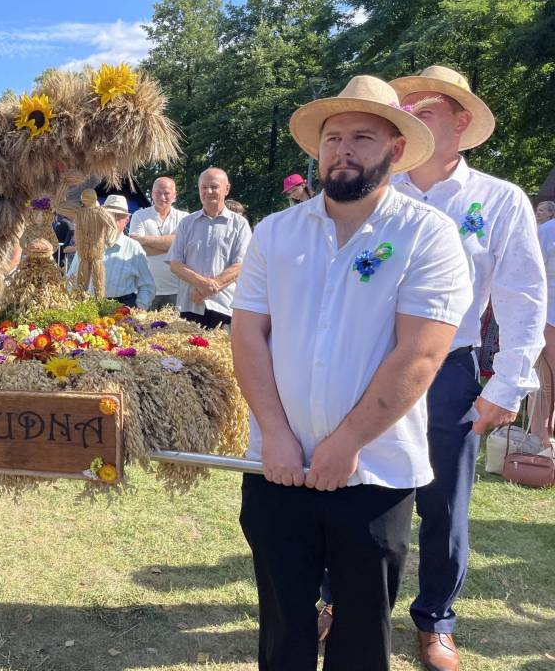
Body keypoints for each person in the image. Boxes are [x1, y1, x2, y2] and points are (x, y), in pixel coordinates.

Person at [231, 74, 472, 671]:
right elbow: (248, 336)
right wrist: (276, 433)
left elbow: (420, 354)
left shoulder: (427, 235)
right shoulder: (275, 232)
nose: (343, 150)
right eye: (332, 138)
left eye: (362, 137)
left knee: (362, 634)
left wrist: (347, 443)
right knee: (283, 627)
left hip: (375, 471)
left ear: (396, 148)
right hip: (279, 466)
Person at [388, 65, 547, 670]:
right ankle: (342, 598)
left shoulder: (499, 199)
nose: (412, 119)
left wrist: (508, 383)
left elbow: (523, 294)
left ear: (462, 121)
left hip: (449, 366)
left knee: (445, 504)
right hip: (371, 362)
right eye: (407, 110)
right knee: (357, 487)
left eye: (426, 109)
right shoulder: (381, 188)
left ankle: (435, 620)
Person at [166, 168, 252, 328]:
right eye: (204, 187)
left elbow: (240, 265)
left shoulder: (239, 225)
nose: (208, 191)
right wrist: (202, 284)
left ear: (227, 189)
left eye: (214, 187)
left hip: (224, 307)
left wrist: (206, 290)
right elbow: (175, 263)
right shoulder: (186, 223)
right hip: (190, 305)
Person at [67, 194, 155, 309]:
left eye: (118, 217)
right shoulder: (87, 245)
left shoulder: (134, 248)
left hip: (123, 307)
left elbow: (147, 286)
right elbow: (71, 279)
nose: (112, 221)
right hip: (89, 305)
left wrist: (139, 309)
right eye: (108, 216)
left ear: (126, 220)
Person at [129, 177, 188, 309]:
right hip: (145, 289)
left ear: (174, 195)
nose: (162, 197)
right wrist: (172, 245)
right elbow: (135, 247)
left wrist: (144, 240)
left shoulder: (184, 218)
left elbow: (184, 246)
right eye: (158, 193)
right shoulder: (139, 215)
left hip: (176, 290)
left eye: (166, 193)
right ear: (152, 194)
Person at [531, 215, 555, 456]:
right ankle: (540, 440)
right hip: (549, 317)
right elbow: (531, 277)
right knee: (544, 383)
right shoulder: (546, 232)